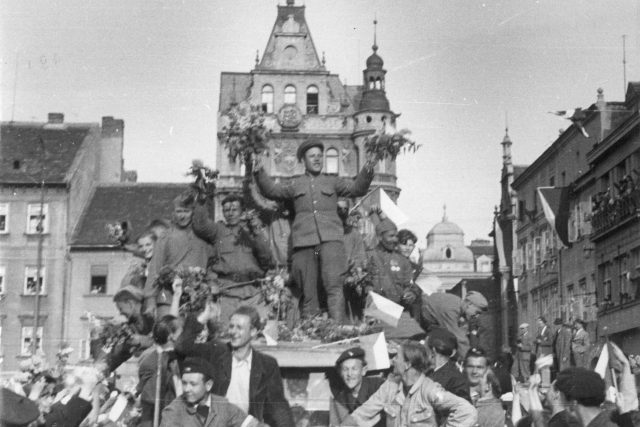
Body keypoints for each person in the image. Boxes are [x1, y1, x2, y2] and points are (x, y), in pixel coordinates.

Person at [254, 138, 376, 321]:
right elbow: (271, 190)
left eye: (320, 156)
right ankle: (310, 332)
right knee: (309, 290)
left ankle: (338, 330)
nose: (317, 159)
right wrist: (258, 170)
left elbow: (358, 188)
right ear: (303, 160)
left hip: (330, 242)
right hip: (305, 243)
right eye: (312, 156)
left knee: (334, 286)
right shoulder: (295, 184)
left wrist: (368, 167)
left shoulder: (333, 182)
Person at [175, 305, 294, 427]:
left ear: (253, 332)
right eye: (231, 326)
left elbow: (279, 408)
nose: (233, 332)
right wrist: (201, 319)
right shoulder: (216, 352)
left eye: (239, 328)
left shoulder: (267, 365)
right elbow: (182, 347)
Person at [343, 341, 477, 427]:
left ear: (407, 364)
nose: (393, 360)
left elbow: (468, 411)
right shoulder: (390, 386)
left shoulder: (430, 390)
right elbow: (364, 412)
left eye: (397, 357)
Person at [192, 194, 272, 324]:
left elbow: (267, 256)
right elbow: (200, 225)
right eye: (226, 210)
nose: (230, 213)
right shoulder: (218, 230)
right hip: (227, 293)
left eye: (234, 209)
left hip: (252, 292)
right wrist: (201, 202)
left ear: (242, 211)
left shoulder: (253, 230)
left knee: (258, 332)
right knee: (225, 333)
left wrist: (256, 230)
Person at [144, 191, 214, 318]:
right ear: (173, 213)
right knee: (168, 330)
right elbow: (155, 268)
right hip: (168, 296)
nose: (182, 216)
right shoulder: (166, 237)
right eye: (179, 211)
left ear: (193, 212)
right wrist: (150, 300)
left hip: (196, 296)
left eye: (186, 211)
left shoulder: (203, 237)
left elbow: (212, 265)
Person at [160, 357, 261, 427]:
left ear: (208, 385)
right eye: (184, 383)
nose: (186, 389)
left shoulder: (222, 406)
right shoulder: (173, 412)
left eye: (193, 384)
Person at [366, 217, 423, 337]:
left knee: (410, 337)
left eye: (396, 236)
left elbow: (411, 284)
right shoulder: (369, 255)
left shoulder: (402, 261)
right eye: (391, 236)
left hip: (398, 310)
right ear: (380, 237)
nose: (395, 239)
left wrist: (411, 293)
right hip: (375, 311)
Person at [137, 315, 181, 427]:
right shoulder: (152, 362)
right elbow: (150, 401)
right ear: (172, 336)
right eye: (181, 330)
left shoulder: (180, 358)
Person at [419, 291, 488, 358]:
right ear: (469, 304)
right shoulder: (452, 309)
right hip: (416, 316)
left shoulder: (459, 305)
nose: (477, 316)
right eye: (477, 312)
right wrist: (469, 359)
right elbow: (459, 338)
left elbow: (462, 332)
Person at [329, 347, 385, 427]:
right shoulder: (340, 400)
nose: (349, 374)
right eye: (345, 369)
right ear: (340, 372)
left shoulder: (379, 386)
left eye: (354, 369)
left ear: (363, 370)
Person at [105, 285, 154, 373]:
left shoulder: (152, 315)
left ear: (130, 304)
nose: (120, 313)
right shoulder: (131, 324)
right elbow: (121, 353)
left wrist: (140, 340)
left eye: (121, 308)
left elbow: (162, 339)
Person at [425, 327, 471, 402]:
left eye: (425, 349)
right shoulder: (427, 373)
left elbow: (464, 409)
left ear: (433, 351)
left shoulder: (455, 379)